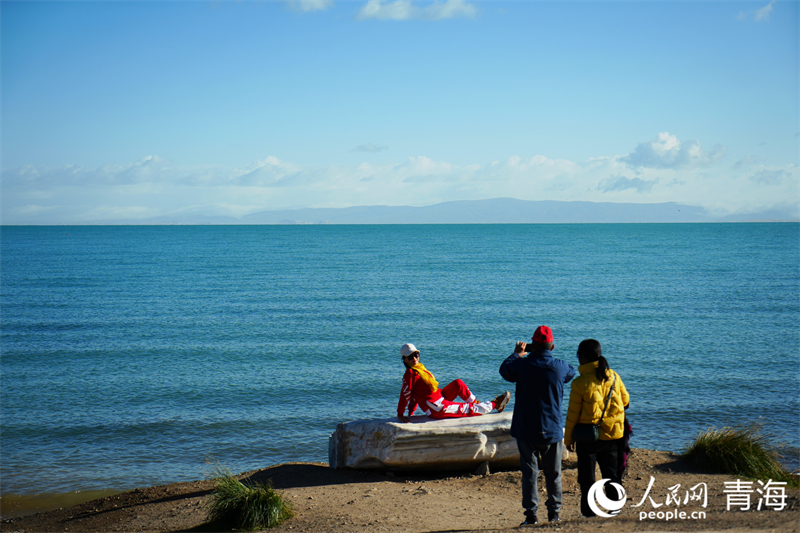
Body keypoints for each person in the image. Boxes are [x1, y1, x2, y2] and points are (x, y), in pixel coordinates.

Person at [499, 325, 576, 526]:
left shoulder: (522, 365)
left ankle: (531, 516)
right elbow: (571, 374)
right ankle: (554, 514)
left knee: (529, 474)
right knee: (554, 473)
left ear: (532, 345)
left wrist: (517, 354)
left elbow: (505, 371)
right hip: (552, 428)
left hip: (526, 428)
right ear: (552, 346)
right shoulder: (559, 366)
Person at [564, 339, 630, 518]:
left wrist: (568, 440)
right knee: (612, 475)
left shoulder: (579, 383)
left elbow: (573, 416)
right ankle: (615, 509)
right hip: (613, 436)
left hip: (588, 438)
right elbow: (626, 401)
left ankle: (589, 513)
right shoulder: (614, 376)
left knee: (587, 479)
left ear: (583, 357)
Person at [397, 343, 510, 423]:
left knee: (458, 384)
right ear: (404, 359)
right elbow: (406, 395)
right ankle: (495, 405)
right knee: (466, 409)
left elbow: (415, 394)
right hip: (436, 407)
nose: (414, 358)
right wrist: (401, 414)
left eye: (416, 354)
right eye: (410, 356)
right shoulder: (410, 374)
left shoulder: (419, 368)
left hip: (440, 396)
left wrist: (411, 413)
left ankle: (477, 403)